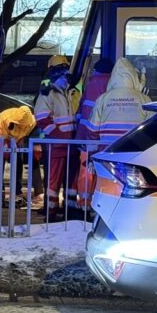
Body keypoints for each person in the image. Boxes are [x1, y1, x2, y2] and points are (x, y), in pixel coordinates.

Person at [69, 58, 113, 217]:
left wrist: (81, 136)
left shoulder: (91, 84)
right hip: (103, 137)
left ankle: (84, 204)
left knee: (85, 171)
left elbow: (84, 112)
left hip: (87, 136)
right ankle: (95, 205)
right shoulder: (111, 85)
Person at [34, 62, 77, 217]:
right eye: (64, 76)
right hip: (57, 145)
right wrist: (58, 134)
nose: (67, 79)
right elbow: (42, 118)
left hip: (70, 145)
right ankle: (51, 209)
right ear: (56, 78)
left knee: (71, 180)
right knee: (54, 180)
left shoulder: (67, 93)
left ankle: (70, 208)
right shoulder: (47, 94)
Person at [88, 58, 151, 142]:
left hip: (108, 150)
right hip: (135, 150)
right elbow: (151, 127)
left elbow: (93, 129)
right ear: (133, 77)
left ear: (113, 77)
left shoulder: (102, 99)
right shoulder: (145, 99)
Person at [0, 105, 36, 202]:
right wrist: (5, 147)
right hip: (1, 136)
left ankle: (17, 190)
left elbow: (26, 133)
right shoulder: (3, 118)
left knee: (18, 162)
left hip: (17, 138)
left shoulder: (31, 122)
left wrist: (19, 141)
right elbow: (0, 137)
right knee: (0, 159)